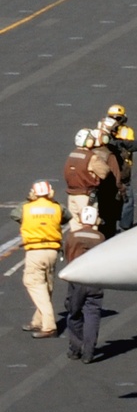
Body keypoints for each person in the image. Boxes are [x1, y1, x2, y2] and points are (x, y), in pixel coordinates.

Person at [10, 180, 69, 338]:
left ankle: (49, 325)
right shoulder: (57, 207)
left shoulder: (26, 208)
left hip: (35, 250)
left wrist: (31, 202)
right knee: (46, 286)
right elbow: (66, 216)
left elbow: (14, 215)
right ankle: (38, 320)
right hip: (52, 251)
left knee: (34, 284)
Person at [63, 205, 105, 363]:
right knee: (92, 314)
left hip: (77, 279)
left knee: (74, 313)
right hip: (95, 279)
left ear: (81, 219)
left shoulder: (73, 236)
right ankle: (89, 352)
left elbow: (68, 255)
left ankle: (75, 349)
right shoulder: (100, 237)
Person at [89, 126, 124, 241]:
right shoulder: (109, 155)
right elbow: (116, 175)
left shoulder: (89, 153)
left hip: (93, 191)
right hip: (109, 192)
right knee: (110, 221)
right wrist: (121, 189)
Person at [64, 129, 101, 227]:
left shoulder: (72, 154)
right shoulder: (91, 156)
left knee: (75, 224)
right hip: (85, 195)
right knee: (90, 223)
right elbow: (104, 172)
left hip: (71, 194)